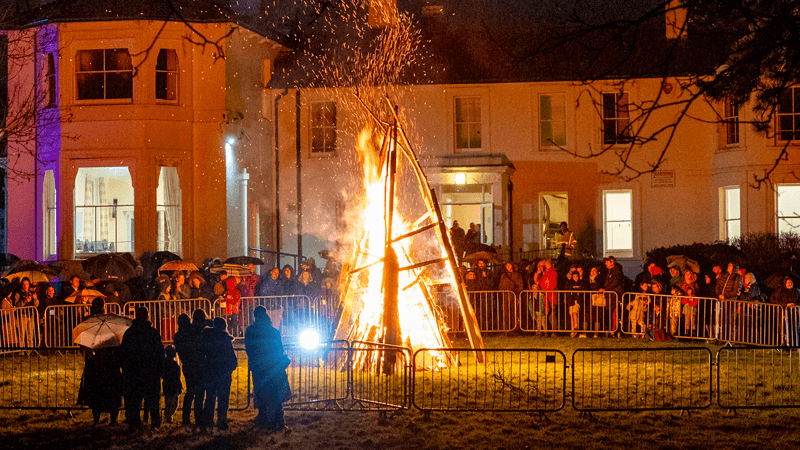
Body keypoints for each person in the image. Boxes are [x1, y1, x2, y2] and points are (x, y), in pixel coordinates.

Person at [76, 298, 123, 426]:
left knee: (96, 391)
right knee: (111, 391)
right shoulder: (110, 321)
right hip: (109, 360)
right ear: (103, 307)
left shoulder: (88, 322)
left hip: (95, 361)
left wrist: (87, 353)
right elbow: (117, 341)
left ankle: (97, 419)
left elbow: (83, 342)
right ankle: (113, 419)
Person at [245, 306, 290, 432]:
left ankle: (264, 421)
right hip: (273, 368)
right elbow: (279, 350)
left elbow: (249, 350)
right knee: (275, 395)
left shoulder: (250, 331)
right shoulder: (274, 331)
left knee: (261, 395)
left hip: (259, 368)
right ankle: (279, 423)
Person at [120, 306, 164, 428]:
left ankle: (135, 422)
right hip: (151, 371)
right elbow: (160, 352)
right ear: (147, 317)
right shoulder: (153, 333)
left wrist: (125, 368)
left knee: (134, 399)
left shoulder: (129, 333)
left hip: (134, 372)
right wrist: (160, 369)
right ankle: (155, 422)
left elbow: (124, 352)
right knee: (153, 399)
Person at [201, 317, 239, 431]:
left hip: (211, 372)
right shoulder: (225, 339)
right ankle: (222, 421)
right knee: (223, 398)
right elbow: (232, 359)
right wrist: (230, 368)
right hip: (223, 373)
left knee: (210, 397)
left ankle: (208, 420)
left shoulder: (207, 337)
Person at [174, 310, 207, 427]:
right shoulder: (193, 333)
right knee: (199, 393)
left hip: (187, 366)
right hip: (197, 365)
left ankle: (186, 418)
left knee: (190, 392)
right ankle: (198, 417)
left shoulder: (177, 336)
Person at [600, 256, 624, 335]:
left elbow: (614, 282)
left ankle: (614, 330)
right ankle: (611, 330)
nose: (605, 263)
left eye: (607, 262)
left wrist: (606, 289)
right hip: (610, 294)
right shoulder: (609, 271)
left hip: (615, 294)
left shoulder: (617, 271)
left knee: (614, 313)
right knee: (610, 312)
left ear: (612, 262)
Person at [13, 277, 39, 347]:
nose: (25, 286)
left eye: (26, 284)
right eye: (24, 284)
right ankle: (21, 349)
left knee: (30, 334)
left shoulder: (32, 293)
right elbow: (17, 304)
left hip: (31, 315)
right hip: (23, 316)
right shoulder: (18, 293)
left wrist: (35, 299)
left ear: (29, 284)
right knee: (22, 334)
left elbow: (37, 305)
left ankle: (29, 350)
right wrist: (25, 301)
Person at [162, 345, 182, 424]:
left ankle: (168, 416)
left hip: (167, 384)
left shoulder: (166, 363)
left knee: (169, 401)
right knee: (174, 402)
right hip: (173, 384)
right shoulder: (174, 364)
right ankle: (169, 416)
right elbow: (177, 375)